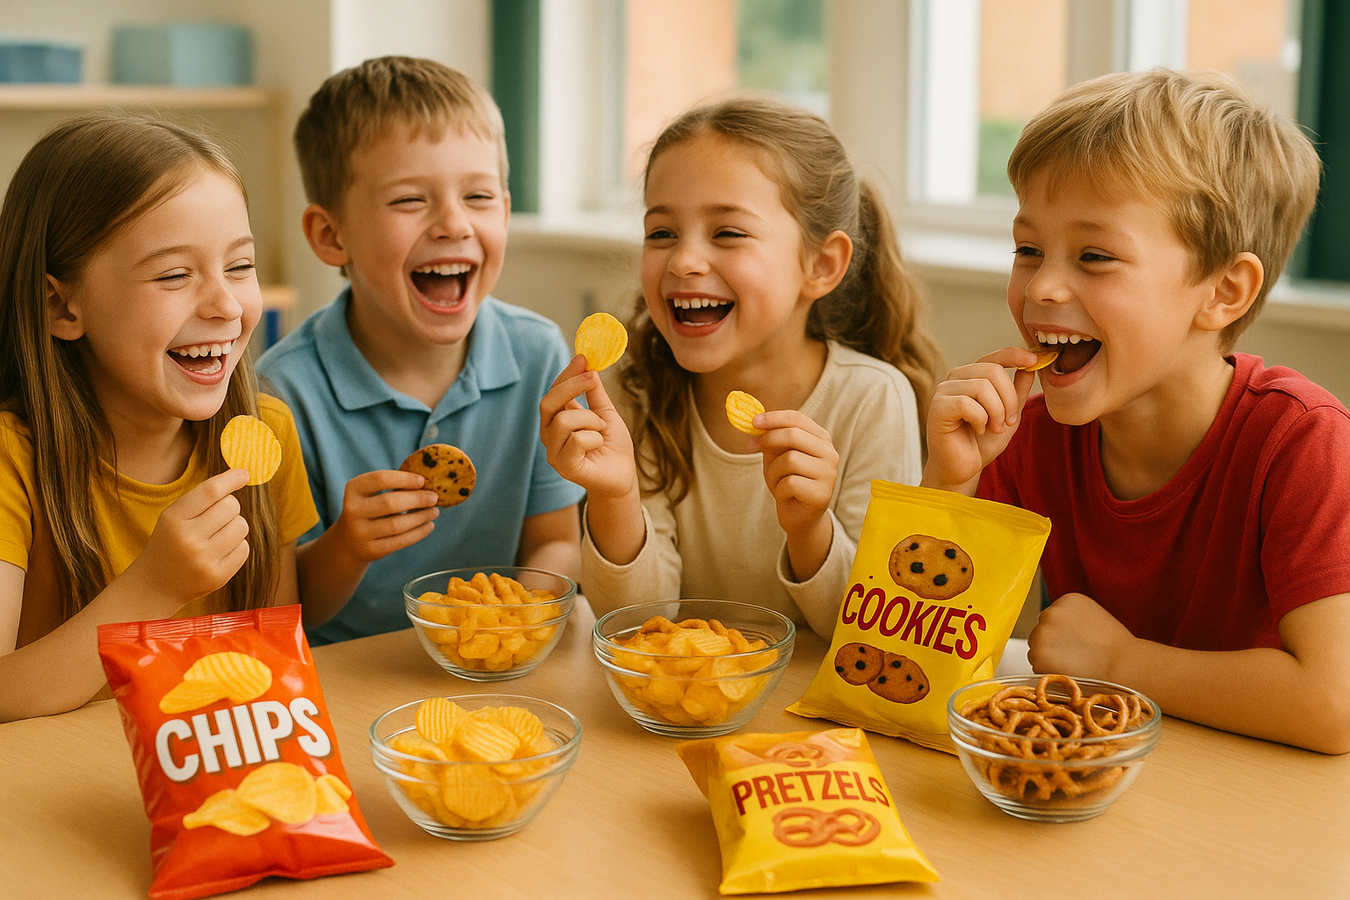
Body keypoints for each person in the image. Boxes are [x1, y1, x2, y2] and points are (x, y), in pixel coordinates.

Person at [921, 68, 1350, 754]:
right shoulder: (1028, 439)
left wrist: (1120, 665)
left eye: (1094, 256)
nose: (1043, 287)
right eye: (1028, 250)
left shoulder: (1302, 443)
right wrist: (950, 487)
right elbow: (914, 673)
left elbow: (1334, 706)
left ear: (1224, 291)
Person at [540, 96, 943, 639]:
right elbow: (635, 621)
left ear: (821, 266)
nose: (683, 260)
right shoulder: (636, 395)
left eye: (727, 233)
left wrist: (808, 529)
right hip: (684, 711)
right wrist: (615, 497)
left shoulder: (873, 399)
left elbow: (873, 633)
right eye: (661, 233)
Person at [0, 113, 319, 721]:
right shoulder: (10, 459)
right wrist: (152, 588)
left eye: (241, 266)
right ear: (60, 306)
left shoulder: (264, 434)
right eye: (174, 274)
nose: (226, 304)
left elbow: (275, 662)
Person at [258, 57, 583, 644]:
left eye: (479, 196)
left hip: (495, 664)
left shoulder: (539, 354)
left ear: (505, 212)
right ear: (331, 237)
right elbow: (287, 610)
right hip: (347, 681)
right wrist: (347, 547)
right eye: (411, 201)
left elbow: (555, 541)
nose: (453, 224)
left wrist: (514, 623)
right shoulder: (281, 395)